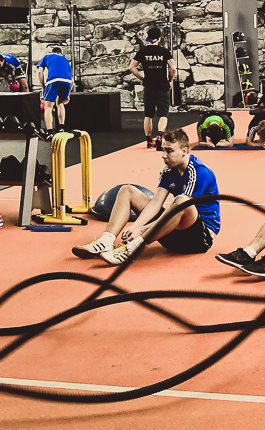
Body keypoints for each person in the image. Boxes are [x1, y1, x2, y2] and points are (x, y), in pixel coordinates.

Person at [70, 128, 219, 264]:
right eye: (162, 150)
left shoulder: (199, 172)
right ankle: (106, 241)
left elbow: (182, 207)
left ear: (185, 151)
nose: (163, 155)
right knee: (127, 190)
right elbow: (155, 203)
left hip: (198, 240)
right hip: (173, 233)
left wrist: (142, 230)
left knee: (181, 200)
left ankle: (133, 247)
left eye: (169, 151)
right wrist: (135, 227)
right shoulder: (168, 172)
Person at [130, 26, 174, 149]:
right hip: (162, 86)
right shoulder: (164, 52)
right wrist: (170, 80)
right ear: (159, 38)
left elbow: (131, 67)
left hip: (149, 86)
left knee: (148, 115)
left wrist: (142, 78)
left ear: (148, 38)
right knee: (163, 114)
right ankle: (160, 136)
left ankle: (149, 140)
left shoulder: (143, 52)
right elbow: (173, 68)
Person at [37, 46, 73, 131]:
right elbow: (72, 80)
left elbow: (40, 72)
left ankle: (49, 131)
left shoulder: (47, 56)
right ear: (61, 53)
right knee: (60, 103)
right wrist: (68, 94)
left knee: (48, 107)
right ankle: (61, 128)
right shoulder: (65, 59)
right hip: (67, 81)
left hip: (54, 80)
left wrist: (43, 87)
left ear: (52, 52)